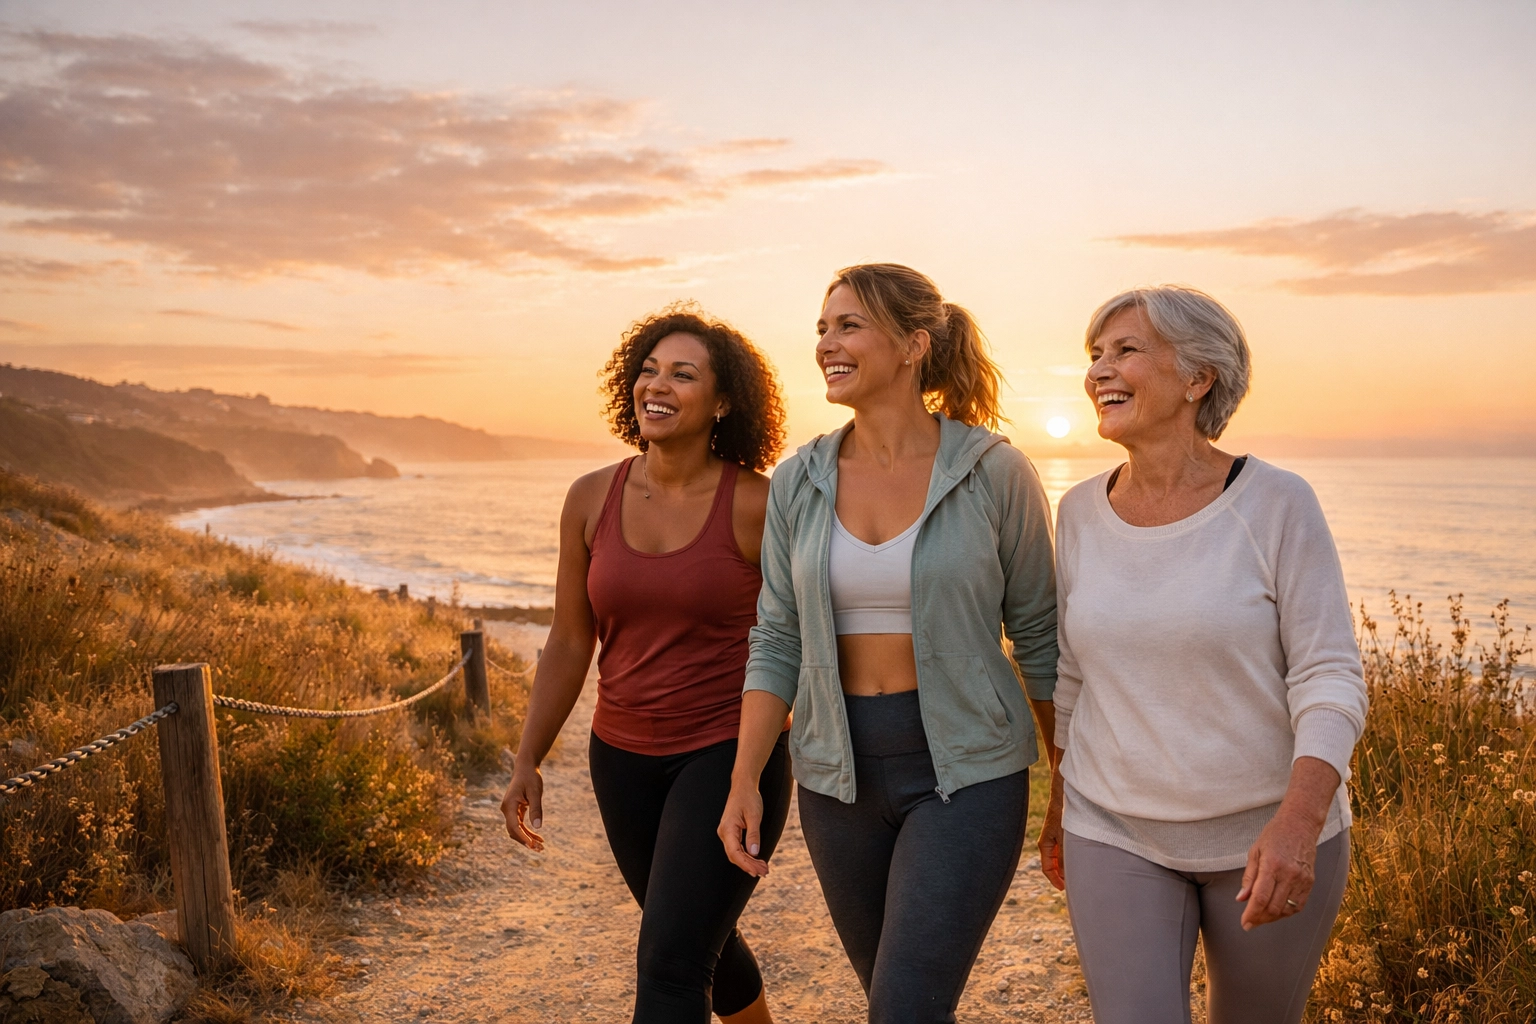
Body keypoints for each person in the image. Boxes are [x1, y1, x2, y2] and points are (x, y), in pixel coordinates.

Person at [718, 264, 1059, 1024]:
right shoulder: (798, 480)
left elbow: (1039, 636)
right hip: (837, 779)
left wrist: (1066, 782)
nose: (826, 344)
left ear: (913, 344)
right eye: (821, 328)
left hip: (966, 772)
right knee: (899, 1003)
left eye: (848, 326)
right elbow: (775, 638)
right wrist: (745, 778)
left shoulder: (995, 473)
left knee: (902, 1008)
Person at [1042, 286, 1369, 1024]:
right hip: (1114, 828)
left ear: (1199, 378)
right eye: (1094, 354)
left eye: (1126, 350)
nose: (1100, 370)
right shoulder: (1080, 512)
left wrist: (1297, 823)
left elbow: (1330, 674)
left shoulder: (1277, 503)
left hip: (1264, 836)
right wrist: (1060, 803)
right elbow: (1073, 675)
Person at [501, 307, 792, 1024]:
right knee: (700, 945)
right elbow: (571, 639)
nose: (656, 386)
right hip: (621, 759)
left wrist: (754, 769)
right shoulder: (590, 497)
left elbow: (793, 643)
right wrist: (527, 757)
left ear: (724, 402)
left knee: (669, 966)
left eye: (683, 374)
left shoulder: (760, 503)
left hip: (725, 758)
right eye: (649, 370)